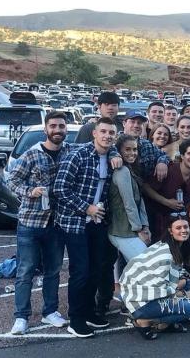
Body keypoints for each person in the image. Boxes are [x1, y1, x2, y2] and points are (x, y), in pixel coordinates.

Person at [53, 117, 119, 337]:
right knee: (80, 271)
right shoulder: (78, 155)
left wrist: (115, 153)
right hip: (75, 222)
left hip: (98, 222)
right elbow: (60, 188)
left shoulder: (111, 156)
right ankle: (76, 319)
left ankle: (89, 312)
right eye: (104, 132)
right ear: (94, 133)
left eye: (111, 133)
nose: (107, 136)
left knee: (96, 269)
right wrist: (86, 208)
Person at [7, 111, 70, 334]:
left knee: (53, 270)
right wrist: (29, 191)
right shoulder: (31, 155)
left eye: (61, 126)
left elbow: (97, 147)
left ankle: (49, 312)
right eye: (53, 126)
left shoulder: (70, 152)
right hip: (30, 223)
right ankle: (21, 316)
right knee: (25, 271)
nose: (57, 130)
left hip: (57, 223)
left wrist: (114, 153)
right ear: (46, 129)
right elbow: (12, 180)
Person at [119, 214, 190, 340]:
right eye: (178, 228)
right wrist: (183, 294)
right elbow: (159, 289)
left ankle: (166, 325)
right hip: (141, 302)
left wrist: (182, 281)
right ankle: (146, 321)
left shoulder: (170, 245)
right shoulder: (166, 256)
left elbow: (177, 272)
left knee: (187, 283)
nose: (183, 230)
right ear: (170, 231)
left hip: (145, 291)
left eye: (185, 227)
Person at [143, 139, 190, 242]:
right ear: (182, 156)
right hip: (157, 221)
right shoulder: (169, 169)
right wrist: (166, 202)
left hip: (181, 225)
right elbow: (146, 187)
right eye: (189, 153)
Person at [107, 134, 150, 262]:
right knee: (147, 265)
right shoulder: (122, 171)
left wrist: (145, 226)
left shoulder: (131, 170)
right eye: (127, 149)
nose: (132, 153)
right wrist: (139, 230)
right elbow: (129, 203)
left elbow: (140, 201)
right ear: (119, 151)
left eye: (135, 149)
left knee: (133, 270)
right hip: (122, 231)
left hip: (132, 230)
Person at [122, 109, 169, 181]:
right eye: (132, 122)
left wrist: (162, 163)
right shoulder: (114, 144)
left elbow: (164, 155)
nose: (136, 125)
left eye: (139, 123)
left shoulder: (147, 145)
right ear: (124, 123)